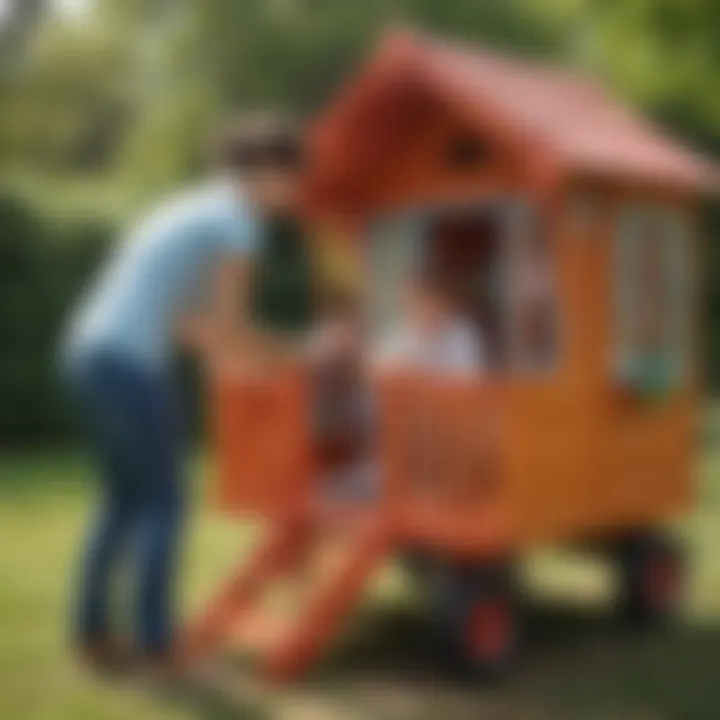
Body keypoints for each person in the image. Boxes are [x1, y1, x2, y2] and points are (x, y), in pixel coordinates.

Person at [60, 113, 305, 671]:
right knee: (164, 503)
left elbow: (189, 325)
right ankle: (157, 645)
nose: (294, 195)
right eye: (293, 180)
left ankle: (91, 635)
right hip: (129, 363)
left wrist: (247, 357)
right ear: (267, 173)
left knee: (121, 501)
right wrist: (288, 355)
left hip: (87, 353)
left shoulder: (189, 208)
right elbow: (231, 323)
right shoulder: (240, 222)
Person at [375, 268, 485, 375]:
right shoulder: (397, 335)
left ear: (441, 301)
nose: (421, 308)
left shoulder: (462, 335)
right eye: (412, 301)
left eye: (426, 301)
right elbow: (380, 372)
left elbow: (468, 380)